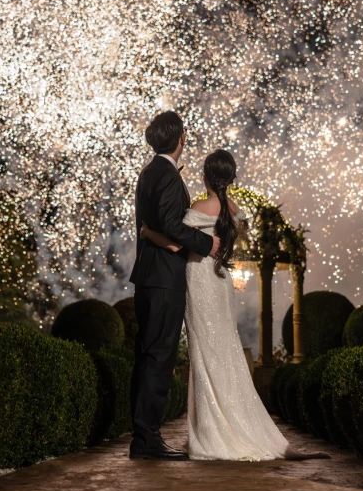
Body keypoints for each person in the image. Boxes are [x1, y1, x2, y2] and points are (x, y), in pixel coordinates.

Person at [141, 148, 330, 461]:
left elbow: (175, 242)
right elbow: (237, 241)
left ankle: (214, 434)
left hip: (199, 281)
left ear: (206, 176)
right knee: (227, 350)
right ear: (231, 177)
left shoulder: (201, 206)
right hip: (221, 281)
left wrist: (148, 232)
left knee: (205, 355)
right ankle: (241, 427)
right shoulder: (235, 209)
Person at [129, 111, 221, 460]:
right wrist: (205, 243)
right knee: (158, 358)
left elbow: (155, 224)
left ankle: (143, 436)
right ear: (181, 138)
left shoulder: (149, 173)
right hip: (164, 279)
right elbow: (171, 223)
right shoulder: (166, 175)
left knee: (147, 357)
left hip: (149, 278)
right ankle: (147, 439)